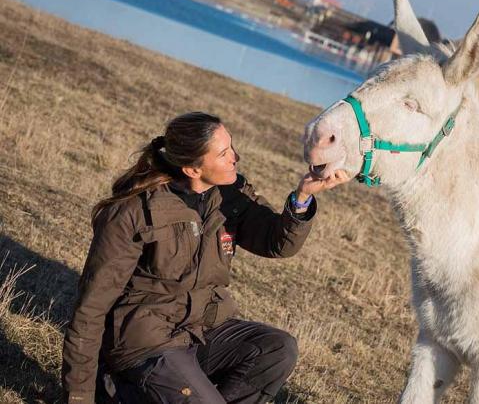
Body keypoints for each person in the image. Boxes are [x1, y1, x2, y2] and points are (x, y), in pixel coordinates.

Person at [61, 112, 349, 404]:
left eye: (231, 147)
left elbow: (277, 243)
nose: (235, 157)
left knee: (277, 348)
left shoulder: (231, 195)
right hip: (145, 342)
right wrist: (79, 397)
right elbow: (90, 309)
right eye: (223, 154)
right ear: (192, 169)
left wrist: (303, 196)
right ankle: (118, 391)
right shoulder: (133, 212)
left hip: (200, 330)